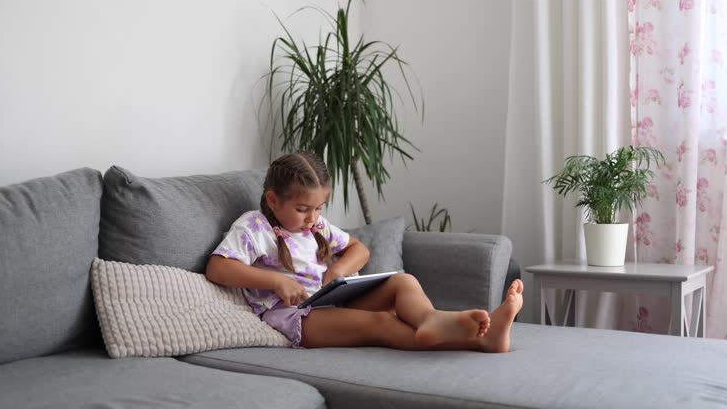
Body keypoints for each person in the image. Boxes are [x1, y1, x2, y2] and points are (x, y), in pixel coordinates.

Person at [205, 151, 524, 352]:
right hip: (295, 317)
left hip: (328, 300)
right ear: (274, 200)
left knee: (404, 282)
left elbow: (359, 249)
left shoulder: (317, 227)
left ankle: (430, 319)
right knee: (381, 325)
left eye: (319, 208)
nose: (313, 217)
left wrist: (337, 272)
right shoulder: (255, 226)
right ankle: (480, 340)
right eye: (303, 208)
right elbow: (217, 268)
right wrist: (276, 282)